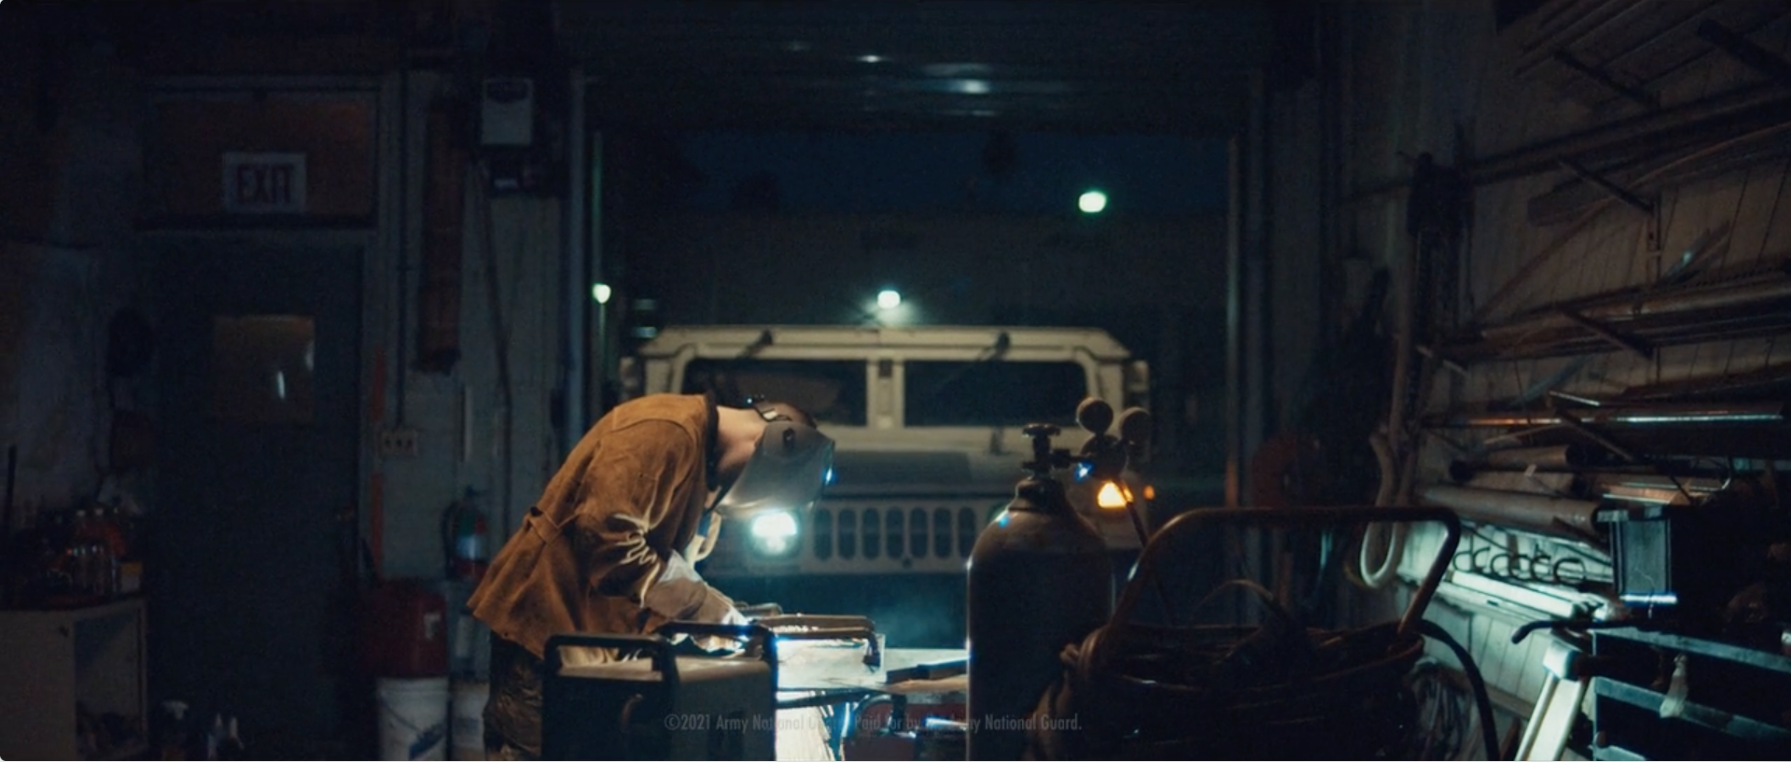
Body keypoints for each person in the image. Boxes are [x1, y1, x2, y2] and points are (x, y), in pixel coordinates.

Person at [467, 391, 835, 760]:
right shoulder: (664, 430)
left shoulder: (704, 474)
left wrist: (720, 618)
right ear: (761, 443)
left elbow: (666, 576)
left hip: (595, 653)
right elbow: (609, 543)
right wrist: (704, 611)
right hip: (543, 640)